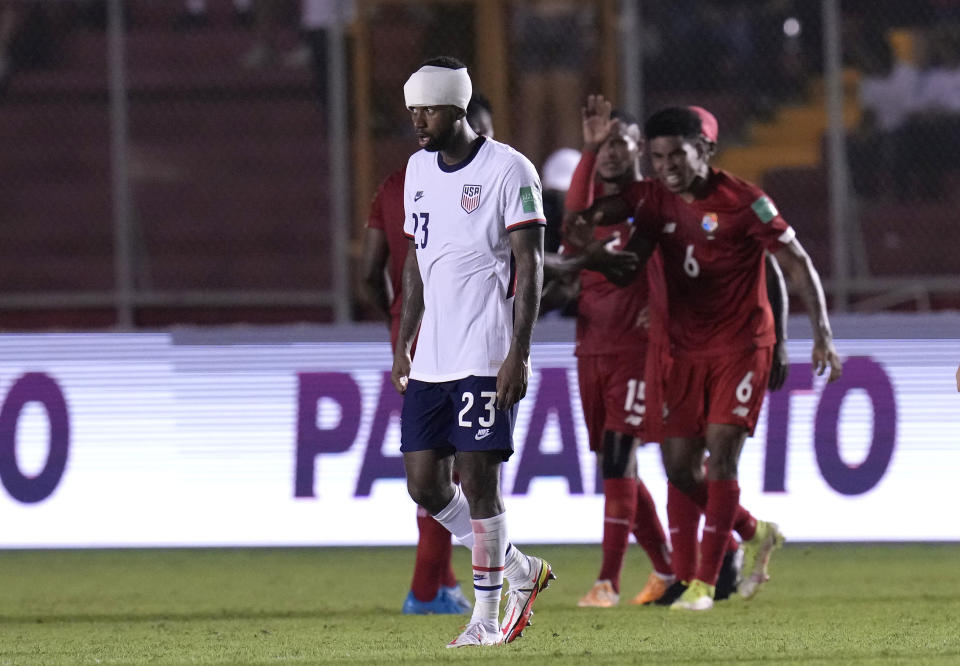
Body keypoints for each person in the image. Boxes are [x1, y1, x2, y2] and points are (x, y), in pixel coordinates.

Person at [595, 106, 841, 611]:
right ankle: (755, 531)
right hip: (683, 351)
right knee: (680, 468)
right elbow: (607, 207)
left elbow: (794, 264)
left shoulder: (745, 201)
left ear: (704, 151)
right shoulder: (657, 200)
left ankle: (704, 585)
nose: (666, 165)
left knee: (721, 450)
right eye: (657, 156)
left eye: (677, 154)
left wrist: (820, 334)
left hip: (741, 344)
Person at [560, 98, 791, 608]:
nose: (616, 152)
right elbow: (578, 236)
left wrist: (782, 337)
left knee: (644, 458)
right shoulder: (622, 203)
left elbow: (766, 264)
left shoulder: (663, 197)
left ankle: (661, 577)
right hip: (623, 348)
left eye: (624, 142)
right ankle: (723, 546)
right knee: (672, 466)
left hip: (667, 347)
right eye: (607, 144)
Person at [390, 56, 554, 647]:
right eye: (413, 111)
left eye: (428, 110)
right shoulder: (416, 169)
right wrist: (405, 339)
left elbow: (531, 266)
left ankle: (485, 620)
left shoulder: (510, 169)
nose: (418, 121)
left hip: (486, 351)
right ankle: (518, 569)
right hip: (432, 352)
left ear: (457, 108)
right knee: (424, 485)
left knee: (480, 484)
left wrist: (520, 352)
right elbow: (416, 258)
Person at [361, 93, 499, 616]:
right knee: (451, 472)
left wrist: (393, 317)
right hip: (455, 332)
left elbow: (370, 273)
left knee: (438, 471)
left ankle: (441, 586)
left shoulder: (397, 183)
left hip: (416, 331)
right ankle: (429, 588)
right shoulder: (476, 179)